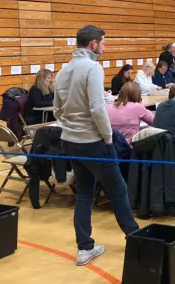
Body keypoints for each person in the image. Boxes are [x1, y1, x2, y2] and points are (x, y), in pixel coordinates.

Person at [53, 25, 139, 265]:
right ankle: (137, 240)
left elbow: (57, 109)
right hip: (94, 142)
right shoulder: (93, 68)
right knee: (119, 190)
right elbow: (97, 108)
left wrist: (71, 125)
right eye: (103, 42)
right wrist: (108, 137)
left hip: (69, 141)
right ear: (93, 44)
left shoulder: (62, 71)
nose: (105, 46)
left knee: (84, 192)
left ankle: (85, 248)